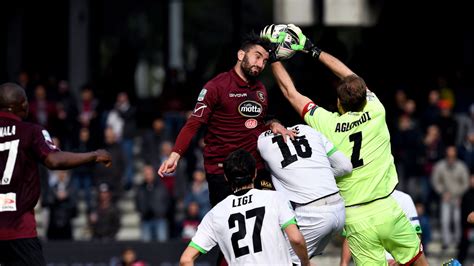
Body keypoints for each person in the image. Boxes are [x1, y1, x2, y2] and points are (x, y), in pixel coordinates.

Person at [266, 24, 428, 265]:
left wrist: (271, 55)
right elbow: (350, 77)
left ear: (339, 104)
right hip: (387, 207)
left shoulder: (327, 123)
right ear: (363, 95)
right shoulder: (375, 111)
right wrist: (312, 49)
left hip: (355, 216)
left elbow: (291, 93)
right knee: (419, 263)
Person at [158, 32, 295, 208]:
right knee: (229, 229)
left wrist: (276, 124)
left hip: (255, 169)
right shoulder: (216, 86)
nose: (260, 64)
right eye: (257, 57)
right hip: (221, 171)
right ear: (241, 55)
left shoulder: (261, 89)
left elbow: (264, 119)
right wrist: (175, 155)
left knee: (272, 216)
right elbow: (194, 123)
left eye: (265, 61)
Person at [0, 82, 112, 265]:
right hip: (18, 230)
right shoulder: (31, 131)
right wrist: (94, 155)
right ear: (19, 104)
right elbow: (54, 160)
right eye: (26, 101)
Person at [179, 149, 310, 266]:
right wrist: (305, 263)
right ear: (255, 173)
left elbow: (186, 259)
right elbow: (296, 239)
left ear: (226, 177)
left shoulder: (215, 213)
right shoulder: (275, 198)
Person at [257, 124, 351, 264]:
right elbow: (345, 166)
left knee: (280, 260)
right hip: (339, 208)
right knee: (304, 259)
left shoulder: (261, 140)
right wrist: (317, 174)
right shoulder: (309, 130)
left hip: (312, 214)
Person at [340, 189, 423, 266]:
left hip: (398, 260)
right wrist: (344, 263)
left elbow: (416, 236)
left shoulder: (404, 199)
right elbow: (350, 236)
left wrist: (399, 262)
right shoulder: (358, 199)